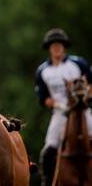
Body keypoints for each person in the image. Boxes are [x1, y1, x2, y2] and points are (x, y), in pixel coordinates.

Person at [35, 28, 92, 186]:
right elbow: (43, 98)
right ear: (49, 48)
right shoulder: (43, 71)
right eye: (53, 45)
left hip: (82, 110)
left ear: (64, 46)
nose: (57, 47)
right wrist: (58, 104)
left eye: (59, 44)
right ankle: (47, 181)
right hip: (60, 114)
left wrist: (86, 95)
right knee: (49, 148)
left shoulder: (78, 63)